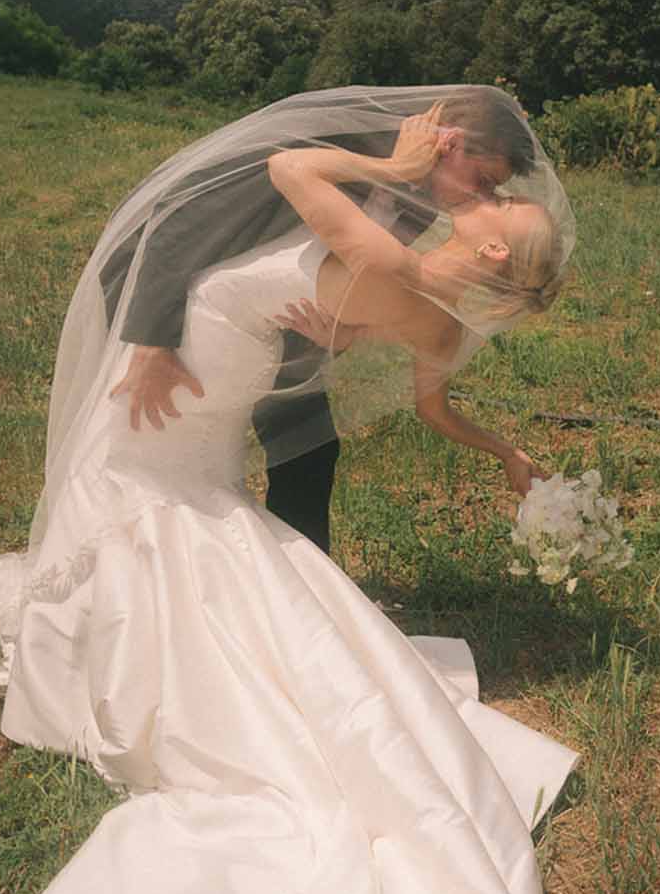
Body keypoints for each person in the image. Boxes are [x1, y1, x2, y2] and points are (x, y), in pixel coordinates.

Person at [0, 86, 592, 894]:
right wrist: (509, 454)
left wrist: (380, 156)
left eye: (494, 205)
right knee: (244, 563)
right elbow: (435, 405)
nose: (486, 193)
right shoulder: (443, 315)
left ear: (482, 246)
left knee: (135, 522)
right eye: (493, 184)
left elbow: (290, 175)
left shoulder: (379, 242)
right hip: (203, 394)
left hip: (173, 403)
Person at [99, 83, 541, 554]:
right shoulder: (337, 142)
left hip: (270, 321)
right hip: (172, 295)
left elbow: (350, 282)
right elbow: (180, 219)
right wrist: (152, 342)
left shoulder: (428, 203)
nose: (483, 194)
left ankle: (299, 585)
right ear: (450, 143)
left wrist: (340, 331)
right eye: (484, 178)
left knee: (309, 446)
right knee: (161, 461)